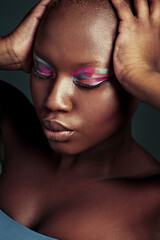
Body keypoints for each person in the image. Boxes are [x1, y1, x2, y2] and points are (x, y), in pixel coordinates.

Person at [0, 0, 160, 239]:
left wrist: (141, 72)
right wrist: (7, 51)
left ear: (134, 88)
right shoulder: (12, 127)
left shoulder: (154, 202)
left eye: (87, 80)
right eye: (42, 70)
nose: (54, 100)